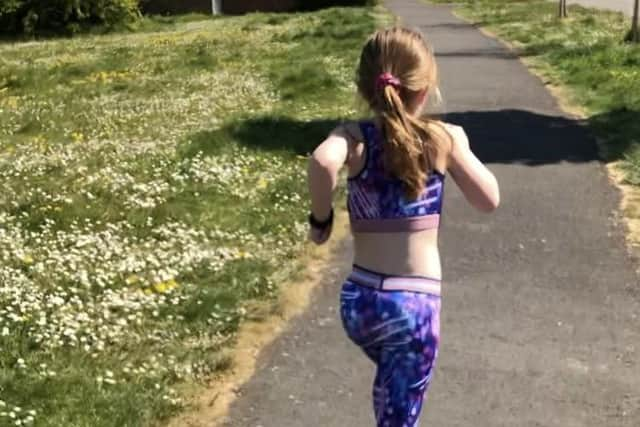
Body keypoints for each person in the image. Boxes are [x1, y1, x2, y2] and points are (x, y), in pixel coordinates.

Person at [306, 27, 500, 426]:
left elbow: (323, 162)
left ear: (365, 87)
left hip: (359, 303)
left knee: (391, 389)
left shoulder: (353, 138)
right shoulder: (440, 138)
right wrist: (458, 148)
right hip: (412, 309)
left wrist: (321, 221)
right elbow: (488, 200)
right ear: (425, 87)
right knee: (401, 414)